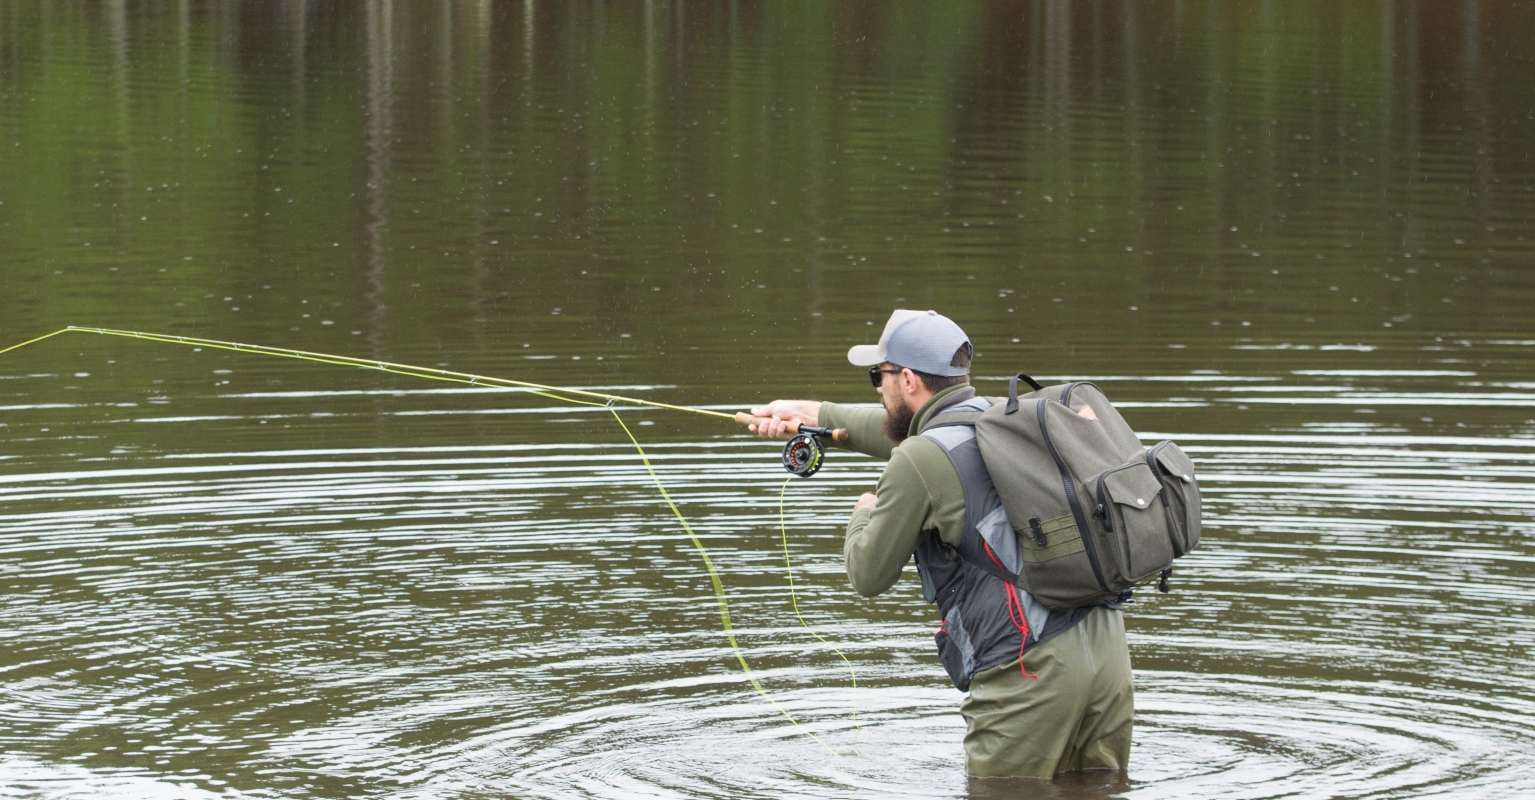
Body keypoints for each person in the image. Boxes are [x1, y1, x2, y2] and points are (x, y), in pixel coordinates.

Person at [748, 310, 1133, 779]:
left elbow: (868, 575)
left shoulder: (919, 459)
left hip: (1030, 670)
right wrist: (812, 415)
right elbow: (900, 432)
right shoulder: (999, 417)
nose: (877, 388)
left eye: (879, 376)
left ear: (907, 379)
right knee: (1096, 790)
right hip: (1106, 653)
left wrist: (863, 512)